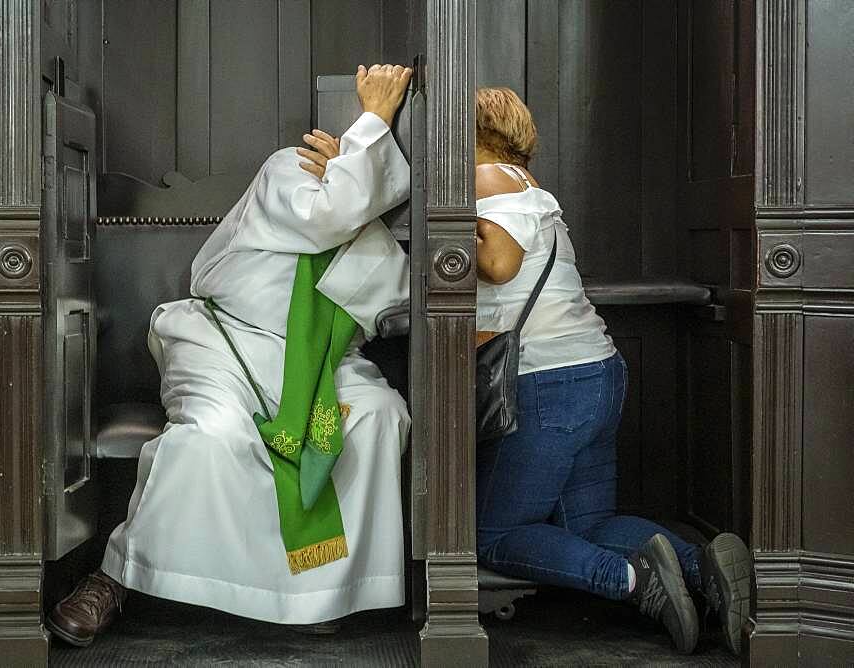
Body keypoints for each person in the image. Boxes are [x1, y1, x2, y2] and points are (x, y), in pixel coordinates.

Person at [47, 64, 414, 647]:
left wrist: (367, 176)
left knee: (378, 416)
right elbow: (330, 215)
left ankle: (318, 590)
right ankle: (116, 577)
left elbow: (379, 294)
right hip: (222, 345)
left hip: (319, 365)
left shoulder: (381, 238)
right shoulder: (288, 170)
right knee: (211, 435)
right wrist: (371, 124)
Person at [472, 87, 752, 655]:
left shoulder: (484, 180)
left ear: (470, 134)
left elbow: (498, 265)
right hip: (598, 371)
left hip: (546, 383)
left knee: (491, 536)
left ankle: (630, 582)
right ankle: (705, 570)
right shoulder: (532, 188)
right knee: (590, 523)